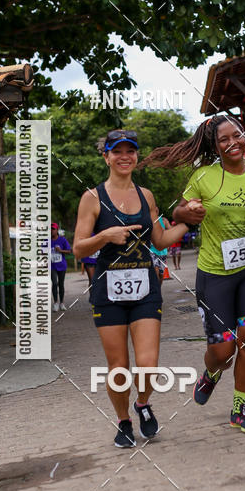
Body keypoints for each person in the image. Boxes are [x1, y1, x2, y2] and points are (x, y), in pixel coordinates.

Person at [145, 114, 245, 434]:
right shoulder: (204, 177)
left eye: (237, 135)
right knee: (223, 350)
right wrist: (187, 212)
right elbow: (178, 211)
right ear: (214, 147)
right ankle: (211, 373)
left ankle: (241, 409)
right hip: (215, 275)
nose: (233, 143)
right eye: (224, 140)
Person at [73, 129, 189, 448]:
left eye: (131, 151)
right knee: (119, 368)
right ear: (106, 156)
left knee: (148, 365)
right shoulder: (92, 198)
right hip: (108, 293)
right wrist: (104, 236)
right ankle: (124, 421)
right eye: (117, 151)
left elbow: (161, 240)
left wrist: (189, 222)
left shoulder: (146, 195)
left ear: (136, 156)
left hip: (145, 288)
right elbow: (79, 249)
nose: (125, 157)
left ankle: (142, 404)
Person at [50, 222, 71, 311]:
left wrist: (60, 250)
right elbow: (41, 252)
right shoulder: (46, 241)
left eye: (53, 229)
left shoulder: (62, 240)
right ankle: (55, 303)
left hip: (62, 265)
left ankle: (62, 303)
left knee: (61, 284)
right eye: (50, 229)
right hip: (52, 266)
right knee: (54, 283)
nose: (51, 231)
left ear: (57, 230)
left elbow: (69, 251)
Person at [150, 216, 170, 285]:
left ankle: (158, 290)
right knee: (156, 271)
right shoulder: (147, 219)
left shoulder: (164, 220)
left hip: (162, 251)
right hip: (151, 250)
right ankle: (156, 291)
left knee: (161, 275)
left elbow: (170, 230)